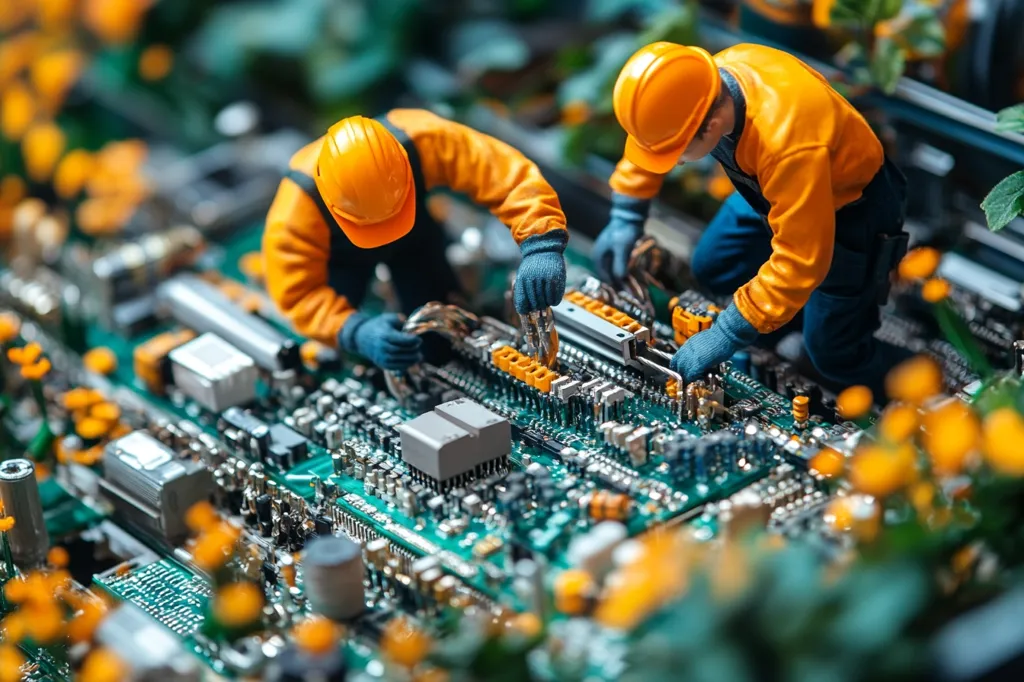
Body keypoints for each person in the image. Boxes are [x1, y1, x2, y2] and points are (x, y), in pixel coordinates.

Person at [592, 42, 910, 396]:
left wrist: (730, 331)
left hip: (849, 210)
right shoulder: (706, 81)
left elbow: (800, 261)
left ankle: (926, 382)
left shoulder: (786, 141)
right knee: (715, 266)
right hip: (773, 188)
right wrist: (627, 211)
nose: (675, 163)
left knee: (833, 352)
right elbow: (656, 137)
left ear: (711, 127)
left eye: (677, 153)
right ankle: (786, 320)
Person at [264, 109, 569, 371]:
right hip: (340, 258)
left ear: (404, 167)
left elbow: (505, 174)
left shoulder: (425, 139)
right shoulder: (295, 211)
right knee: (355, 350)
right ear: (332, 205)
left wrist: (540, 241)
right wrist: (354, 331)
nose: (384, 232)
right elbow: (299, 294)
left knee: (439, 341)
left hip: (414, 238)